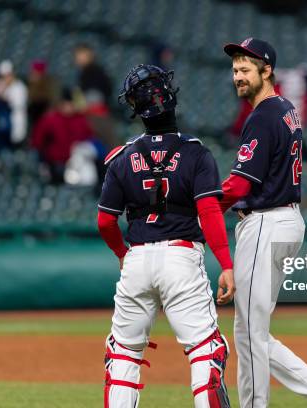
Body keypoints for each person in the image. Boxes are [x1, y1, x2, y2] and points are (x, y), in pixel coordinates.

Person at [220, 38, 307, 408]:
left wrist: (204, 204)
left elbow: (240, 184)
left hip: (266, 220)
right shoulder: (284, 109)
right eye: (235, 70)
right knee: (254, 331)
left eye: (246, 69)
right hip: (284, 220)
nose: (238, 76)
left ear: (267, 71)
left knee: (249, 331)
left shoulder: (263, 114)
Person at [97, 64, 235, 407]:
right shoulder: (196, 153)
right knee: (206, 351)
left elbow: (104, 222)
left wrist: (122, 255)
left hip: (138, 259)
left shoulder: (122, 158)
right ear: (171, 99)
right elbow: (209, 212)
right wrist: (226, 264)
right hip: (181, 258)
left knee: (123, 356)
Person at [31, 88, 93, 184]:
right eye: (66, 104)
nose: (68, 107)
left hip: (75, 163)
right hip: (56, 163)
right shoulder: (50, 119)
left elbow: (88, 139)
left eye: (71, 104)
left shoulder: (80, 120)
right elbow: (37, 141)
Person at [0, 60, 27, 154]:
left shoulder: (19, 87)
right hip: (2, 126)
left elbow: (17, 104)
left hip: (15, 124)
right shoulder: (2, 86)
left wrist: (2, 96)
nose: (4, 78)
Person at [27, 59, 61, 130]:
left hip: (44, 115)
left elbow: (52, 100)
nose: (32, 74)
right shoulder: (30, 84)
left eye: (35, 72)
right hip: (34, 115)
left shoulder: (48, 84)